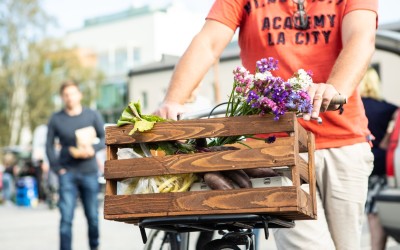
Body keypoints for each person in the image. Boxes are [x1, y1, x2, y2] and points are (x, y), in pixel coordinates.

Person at [155, 1, 377, 249]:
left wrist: (333, 88)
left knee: (348, 245)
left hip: (344, 141)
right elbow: (209, 42)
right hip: (277, 147)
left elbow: (361, 36)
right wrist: (174, 100)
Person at [46, 80, 105, 250]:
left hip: (89, 172)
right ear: (62, 98)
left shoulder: (92, 115)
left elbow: (105, 137)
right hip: (67, 173)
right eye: (66, 95)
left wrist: (93, 149)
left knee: (93, 217)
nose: (70, 98)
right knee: (66, 218)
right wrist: (57, 169)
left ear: (80, 95)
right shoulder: (56, 119)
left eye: (73, 94)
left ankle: (94, 247)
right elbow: (48, 145)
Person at [360, 68, 398, 250]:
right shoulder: (390, 109)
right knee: (381, 209)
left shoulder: (355, 108)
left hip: (365, 164)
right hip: (387, 164)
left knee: (373, 213)